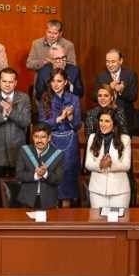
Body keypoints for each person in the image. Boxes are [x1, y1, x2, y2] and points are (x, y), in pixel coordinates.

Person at [0, 68, 31, 207]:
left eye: (11, 82)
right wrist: (3, 116)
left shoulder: (24, 98)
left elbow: (26, 121)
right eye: (4, 81)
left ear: (16, 83)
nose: (7, 84)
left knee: (18, 196)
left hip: (18, 153)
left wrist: (10, 112)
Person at [38, 67, 82, 207]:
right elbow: (41, 124)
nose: (56, 84)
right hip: (52, 141)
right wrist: (58, 119)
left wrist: (69, 117)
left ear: (66, 82)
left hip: (70, 143)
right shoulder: (45, 98)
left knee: (68, 177)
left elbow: (77, 126)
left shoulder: (74, 99)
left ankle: (66, 214)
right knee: (51, 176)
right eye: (53, 81)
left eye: (59, 81)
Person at [85, 108, 132, 208]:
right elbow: (88, 164)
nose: (103, 124)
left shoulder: (125, 139)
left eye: (107, 121)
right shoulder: (92, 137)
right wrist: (100, 165)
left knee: (119, 222)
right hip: (97, 190)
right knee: (98, 222)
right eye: (101, 121)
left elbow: (127, 165)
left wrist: (112, 164)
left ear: (114, 123)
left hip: (120, 191)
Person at [15, 121, 64, 209]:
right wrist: (36, 175)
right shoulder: (24, 151)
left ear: (49, 138)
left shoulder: (58, 154)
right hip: (26, 200)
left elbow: (59, 179)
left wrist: (45, 174)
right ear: (32, 137)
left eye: (43, 137)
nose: (39, 140)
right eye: (36, 137)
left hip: (48, 201)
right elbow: (19, 175)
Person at [92, 48, 139, 135]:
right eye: (107, 61)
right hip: (105, 119)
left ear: (121, 61)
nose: (110, 65)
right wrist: (109, 88)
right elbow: (94, 97)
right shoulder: (101, 75)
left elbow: (133, 96)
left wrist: (122, 91)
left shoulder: (130, 74)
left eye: (113, 61)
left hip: (125, 118)